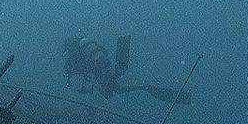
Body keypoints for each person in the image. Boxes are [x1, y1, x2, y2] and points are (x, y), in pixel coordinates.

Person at [61, 35, 192, 104]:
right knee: (116, 88)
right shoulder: (83, 49)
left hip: (101, 73)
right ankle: (150, 88)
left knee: (113, 91)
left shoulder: (73, 54)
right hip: (103, 70)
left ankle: (148, 88)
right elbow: (100, 56)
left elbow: (73, 71)